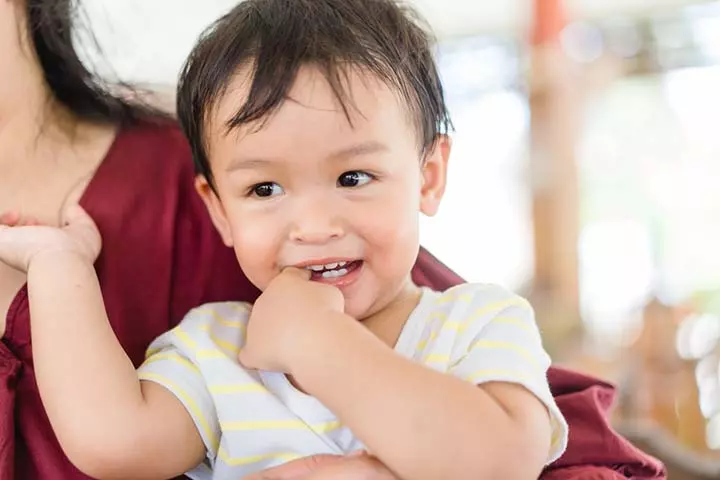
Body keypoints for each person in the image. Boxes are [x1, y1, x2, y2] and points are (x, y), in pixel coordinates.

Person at [0, 0, 665, 479]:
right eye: (264, 190)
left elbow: (499, 461)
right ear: (219, 212)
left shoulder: (477, 325)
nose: (314, 226)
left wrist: (323, 347)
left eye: (353, 176)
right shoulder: (216, 348)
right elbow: (114, 443)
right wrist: (60, 268)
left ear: (429, 177)